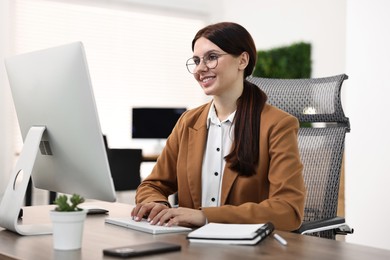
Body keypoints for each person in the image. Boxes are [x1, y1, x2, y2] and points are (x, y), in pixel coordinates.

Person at [131, 22, 306, 231]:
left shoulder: (277, 125)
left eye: (211, 57)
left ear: (242, 60)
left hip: (250, 248)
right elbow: (153, 185)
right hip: (189, 246)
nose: (199, 69)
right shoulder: (188, 122)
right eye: (196, 60)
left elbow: (287, 210)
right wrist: (157, 205)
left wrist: (205, 216)